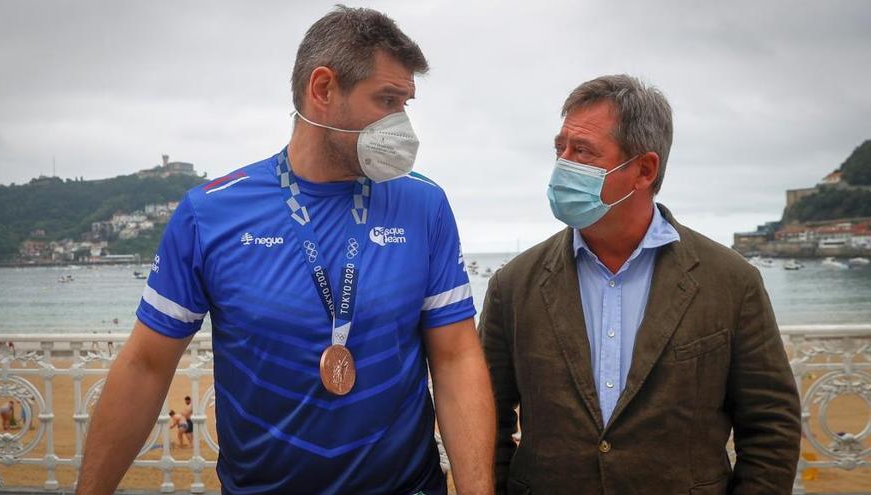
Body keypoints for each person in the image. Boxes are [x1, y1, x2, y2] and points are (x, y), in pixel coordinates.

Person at [76, 6, 494, 495]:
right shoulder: (210, 214)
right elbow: (147, 365)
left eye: (406, 104)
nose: (401, 124)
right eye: (386, 100)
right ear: (322, 90)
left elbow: (456, 358)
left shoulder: (424, 204)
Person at [479, 74, 801, 494]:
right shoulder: (514, 284)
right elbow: (487, 417)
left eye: (583, 152)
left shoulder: (730, 281)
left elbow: (771, 423)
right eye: (560, 149)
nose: (563, 165)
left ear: (644, 170)